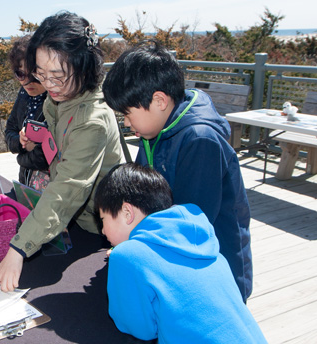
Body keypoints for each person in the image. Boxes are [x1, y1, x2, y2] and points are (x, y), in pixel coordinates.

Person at [102, 40, 253, 302]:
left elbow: (191, 224)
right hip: (178, 264)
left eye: (127, 113)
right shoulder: (155, 129)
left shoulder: (199, 140)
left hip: (212, 274)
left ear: (159, 100)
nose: (126, 123)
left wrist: (137, 247)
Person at [0, 11, 124, 292]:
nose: (48, 85)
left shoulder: (92, 120)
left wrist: (19, 248)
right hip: (76, 220)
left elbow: (67, 188)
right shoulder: (61, 97)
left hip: (100, 226)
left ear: (84, 69)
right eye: (41, 74)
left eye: (57, 76)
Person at [94, 163, 267, 343]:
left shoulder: (126, 255)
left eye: (103, 220)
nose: (103, 231)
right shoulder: (204, 241)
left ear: (127, 212)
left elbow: (139, 329)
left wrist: (120, 257)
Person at [4, 35, 50, 190]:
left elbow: (44, 157)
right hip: (26, 182)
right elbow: (9, 132)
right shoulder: (24, 94)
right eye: (20, 74)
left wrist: (20, 155)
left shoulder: (56, 102)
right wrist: (22, 142)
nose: (26, 82)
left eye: (33, 76)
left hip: (51, 190)